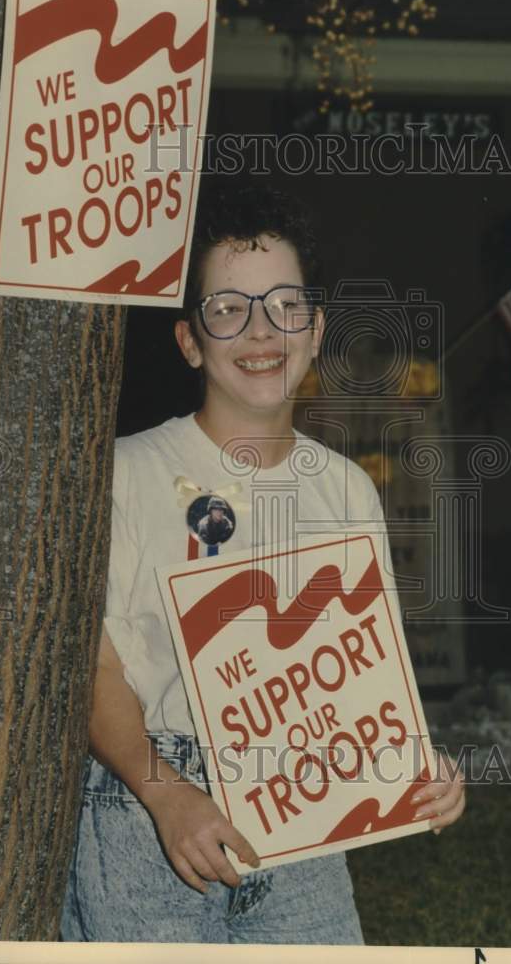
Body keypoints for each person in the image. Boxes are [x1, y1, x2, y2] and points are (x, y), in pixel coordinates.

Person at [60, 183, 466, 945]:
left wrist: (415, 764)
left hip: (303, 806)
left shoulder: (345, 487)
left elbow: (360, 669)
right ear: (190, 341)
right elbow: (90, 667)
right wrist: (165, 793)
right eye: (227, 308)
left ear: (315, 330)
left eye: (284, 305)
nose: (260, 331)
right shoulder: (126, 473)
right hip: (154, 810)